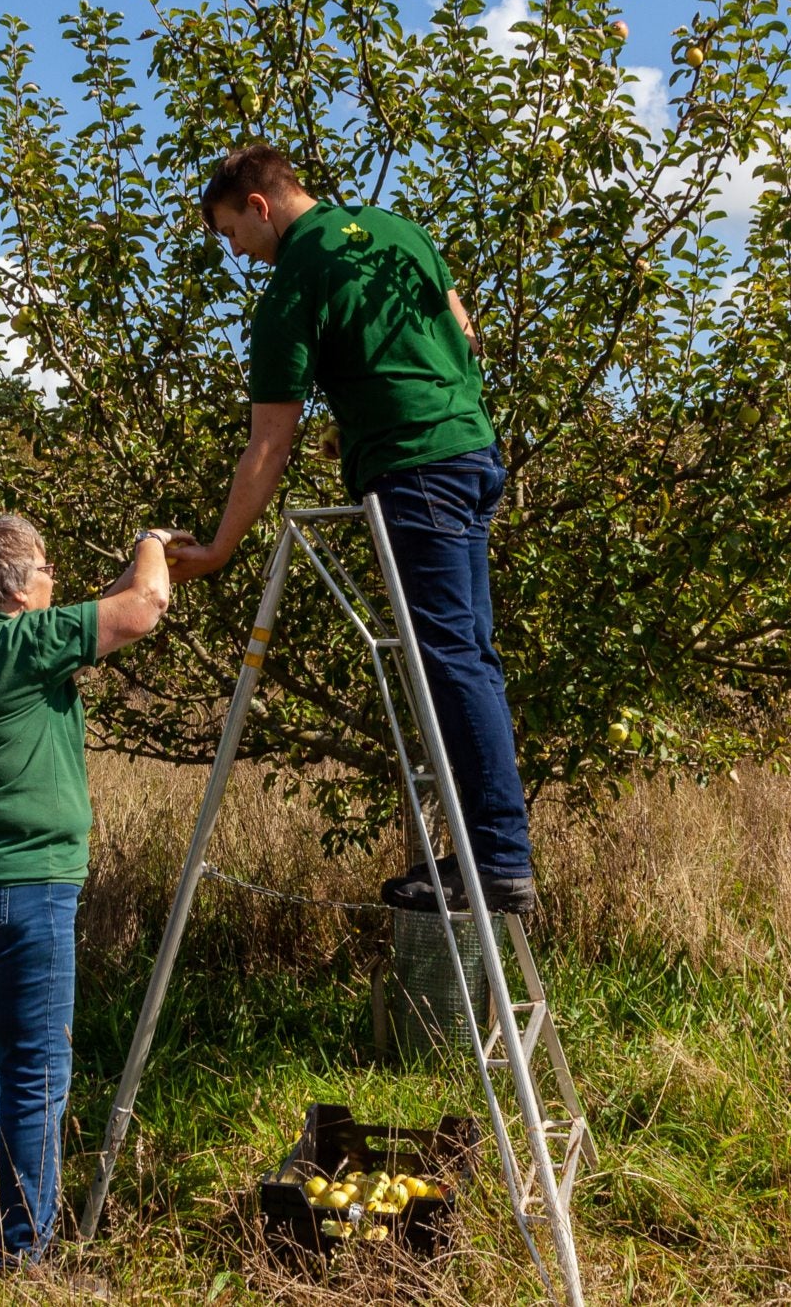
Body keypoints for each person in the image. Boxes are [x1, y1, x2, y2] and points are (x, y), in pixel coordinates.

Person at [163, 144, 536, 916]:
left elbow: (270, 441)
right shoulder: (398, 230)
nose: (237, 252)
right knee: (472, 657)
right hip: (471, 452)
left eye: (233, 232)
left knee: (449, 664)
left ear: (260, 206)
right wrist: (368, 411)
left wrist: (219, 548)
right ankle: (488, 847)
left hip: (415, 471)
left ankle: (498, 859)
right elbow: (460, 332)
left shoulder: (296, 279)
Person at [0, 512, 181, 1266]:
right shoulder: (25, 644)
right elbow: (143, 608)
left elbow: (114, 608)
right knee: (36, 1071)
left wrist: (149, 568)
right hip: (22, 890)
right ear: (13, 589)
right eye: (44, 570)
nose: (53, 581)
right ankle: (27, 1252)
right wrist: (153, 542)